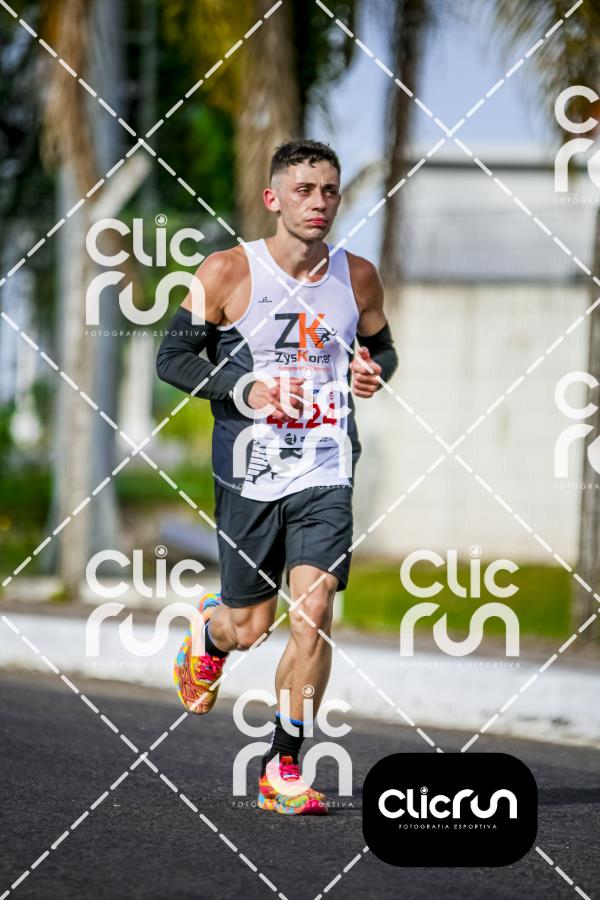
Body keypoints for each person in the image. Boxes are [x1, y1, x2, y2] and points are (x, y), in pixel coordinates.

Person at [156, 139, 398, 815]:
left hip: (326, 465)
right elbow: (172, 359)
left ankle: (283, 767)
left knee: (313, 610)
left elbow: (382, 348)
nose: (319, 202)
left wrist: (371, 371)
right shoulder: (227, 271)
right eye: (304, 190)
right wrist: (246, 390)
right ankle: (212, 634)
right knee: (250, 626)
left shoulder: (357, 277)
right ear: (273, 198)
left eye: (329, 191)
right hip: (250, 472)